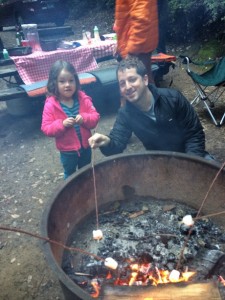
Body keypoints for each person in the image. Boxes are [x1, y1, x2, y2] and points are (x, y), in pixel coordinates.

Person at [88, 57, 213, 161]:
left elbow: (194, 134)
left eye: (132, 79)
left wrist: (189, 163)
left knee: (213, 171)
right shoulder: (125, 113)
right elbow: (117, 144)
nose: (127, 87)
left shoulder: (173, 98)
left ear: (145, 79)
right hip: (159, 162)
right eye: (122, 83)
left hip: (189, 155)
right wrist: (106, 142)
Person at [41, 60, 100, 179]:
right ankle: (71, 193)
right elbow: (46, 128)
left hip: (86, 147)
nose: (67, 84)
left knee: (86, 171)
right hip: (68, 150)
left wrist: (84, 118)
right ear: (54, 83)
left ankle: (85, 189)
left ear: (76, 81)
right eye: (62, 81)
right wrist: (61, 124)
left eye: (71, 80)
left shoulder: (83, 98)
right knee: (70, 174)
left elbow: (95, 117)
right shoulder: (51, 105)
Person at [114, 0, 159, 84]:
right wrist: (120, 44)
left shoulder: (134, 51)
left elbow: (141, 19)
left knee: (141, 86)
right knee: (146, 82)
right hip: (136, 44)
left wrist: (131, 52)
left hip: (138, 47)